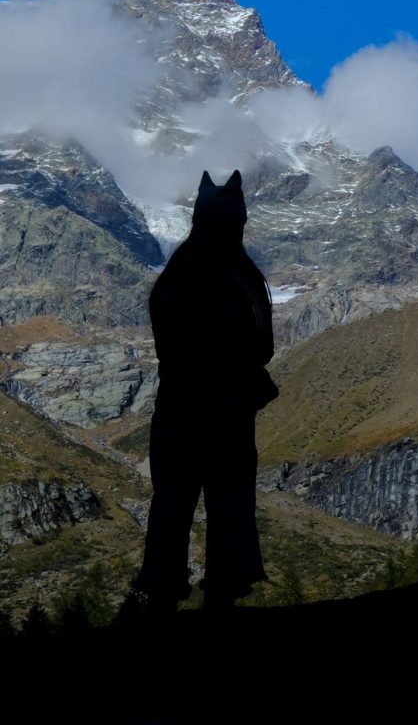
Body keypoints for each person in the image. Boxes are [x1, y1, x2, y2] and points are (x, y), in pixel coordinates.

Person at [133, 169, 278, 614]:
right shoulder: (244, 277)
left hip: (179, 408)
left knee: (172, 501)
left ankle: (163, 588)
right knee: (229, 498)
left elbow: (168, 342)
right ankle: (224, 586)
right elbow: (262, 344)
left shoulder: (176, 275)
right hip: (226, 410)